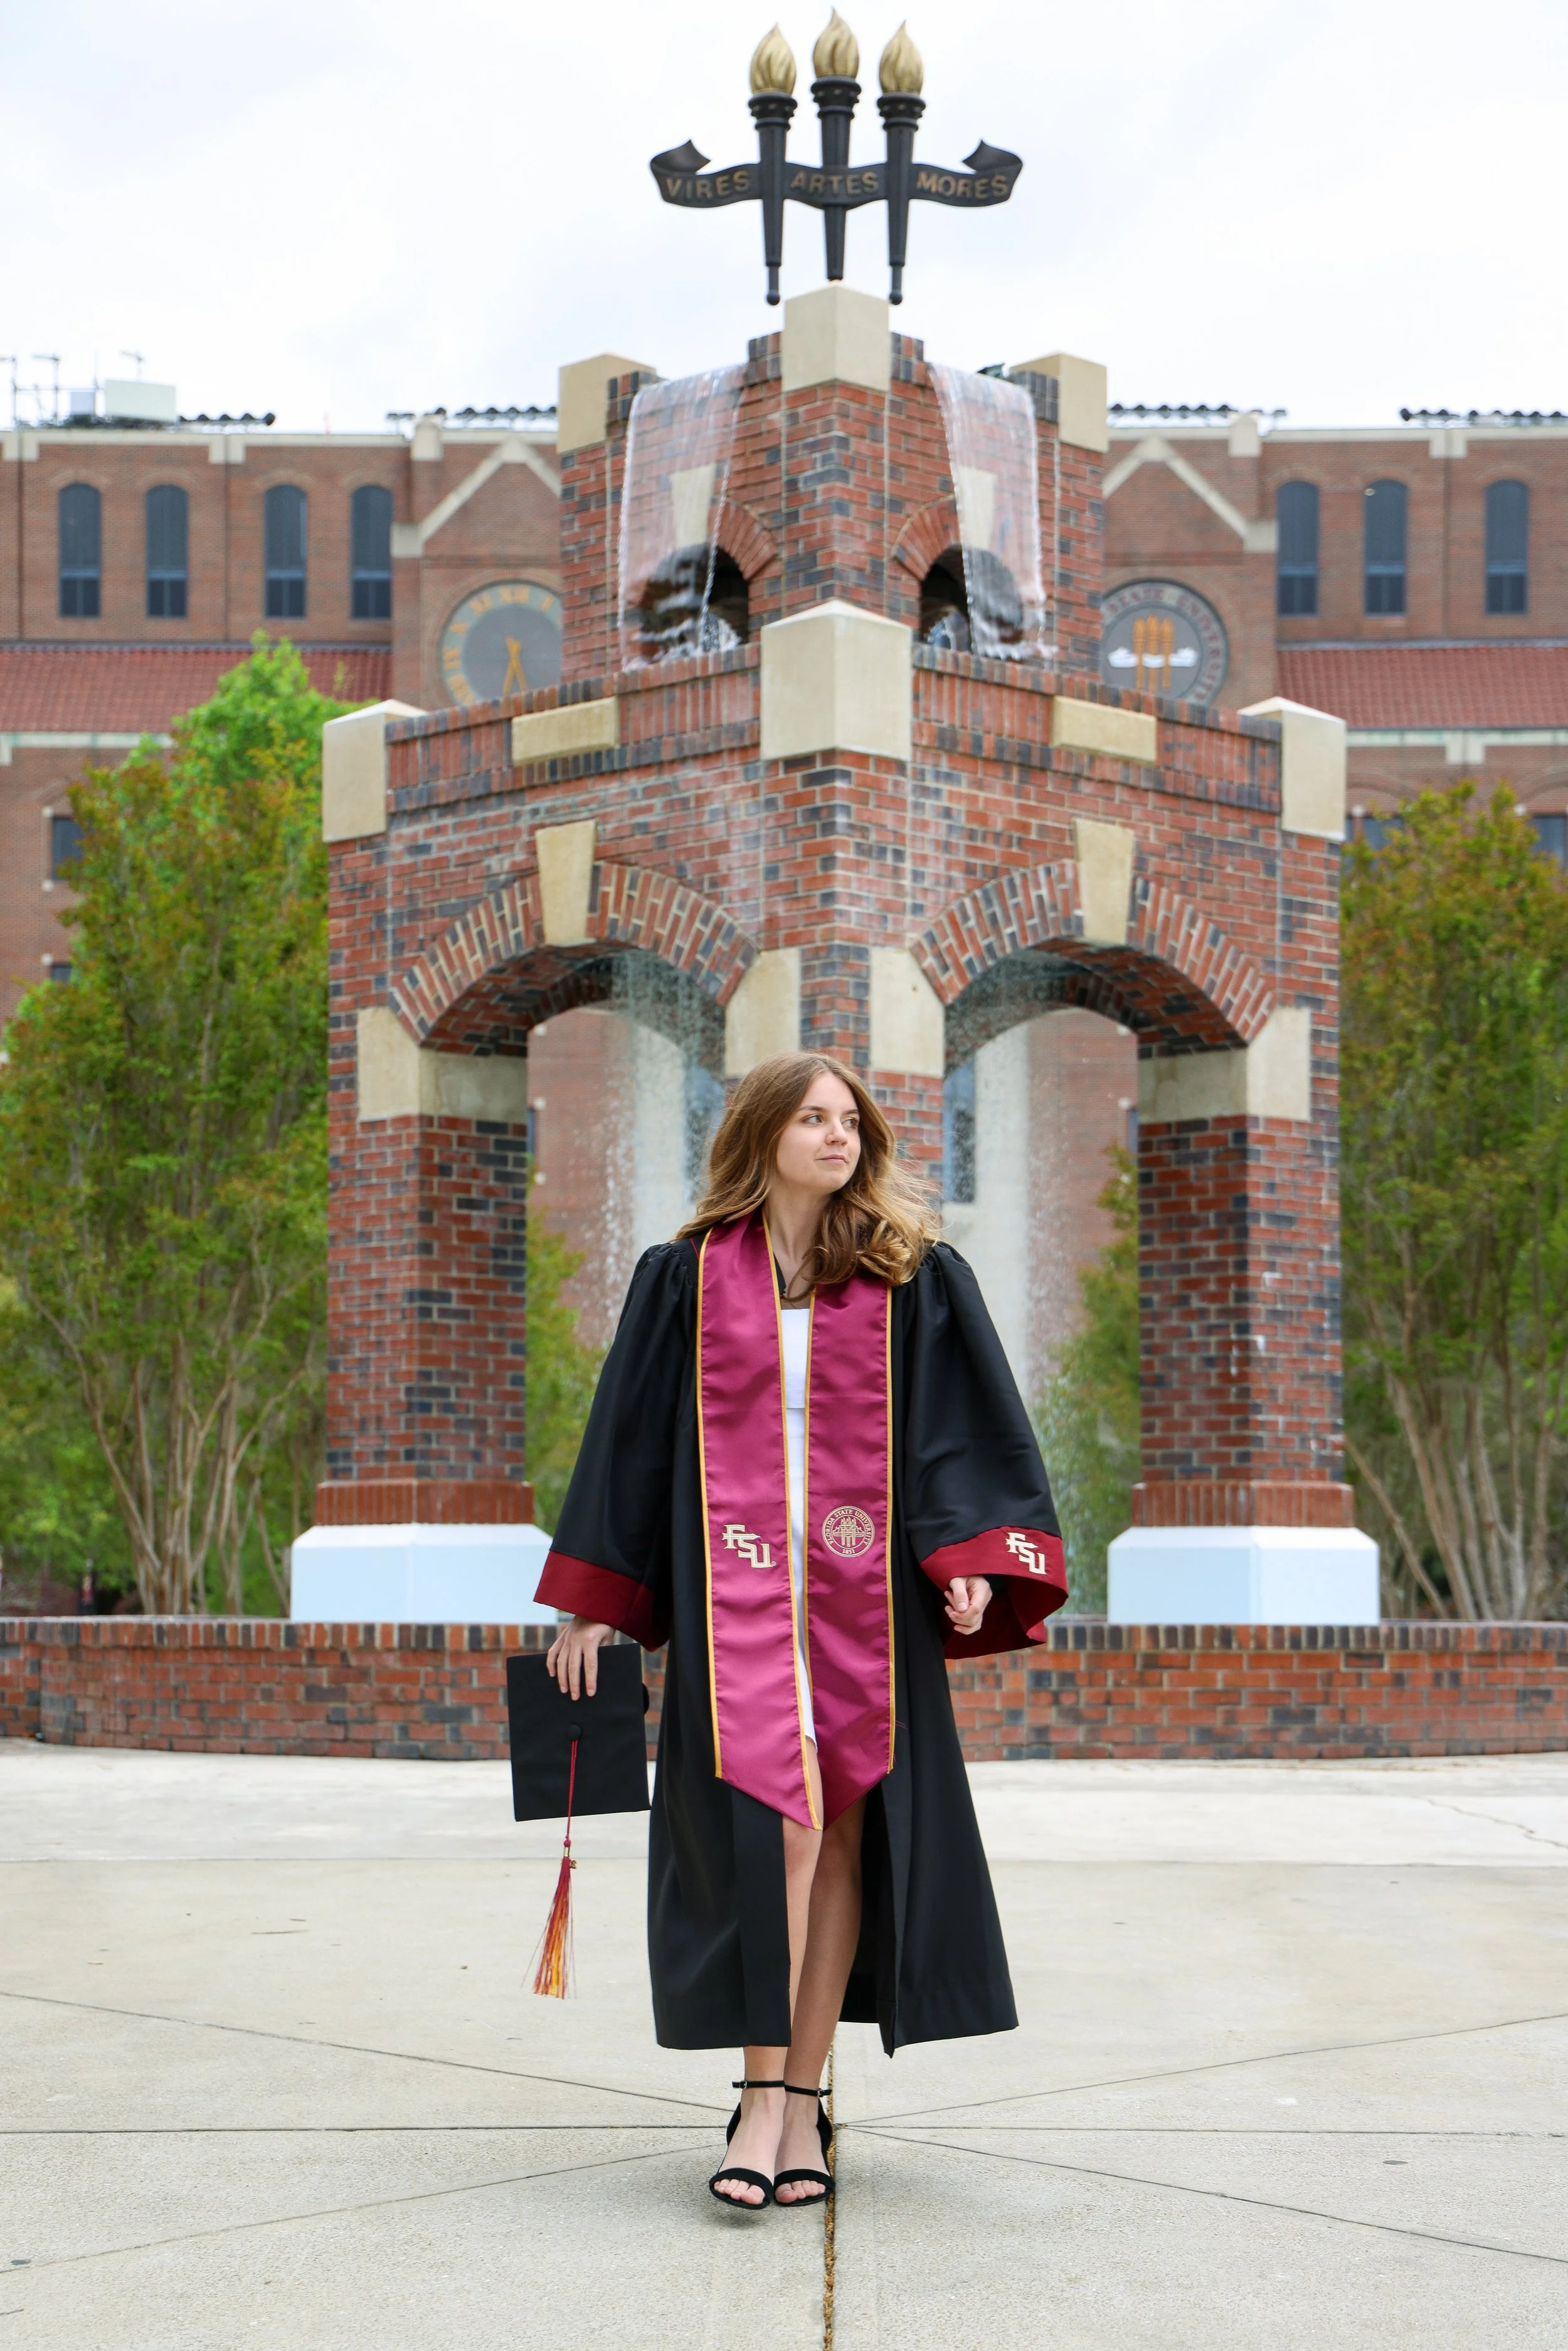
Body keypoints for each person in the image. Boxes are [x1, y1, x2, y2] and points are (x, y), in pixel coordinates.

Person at [539, 1051, 1066, 2210]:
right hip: (738, 1617)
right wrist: (593, 1599)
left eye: (850, 1120)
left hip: (865, 1613)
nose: (838, 1136)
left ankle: (803, 2104)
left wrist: (966, 1560)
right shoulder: (682, 1279)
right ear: (763, 1134)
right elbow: (629, 1439)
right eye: (814, 1118)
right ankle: (759, 2095)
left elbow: (961, 1439)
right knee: (771, 1839)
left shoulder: (911, 1277)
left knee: (837, 1842)